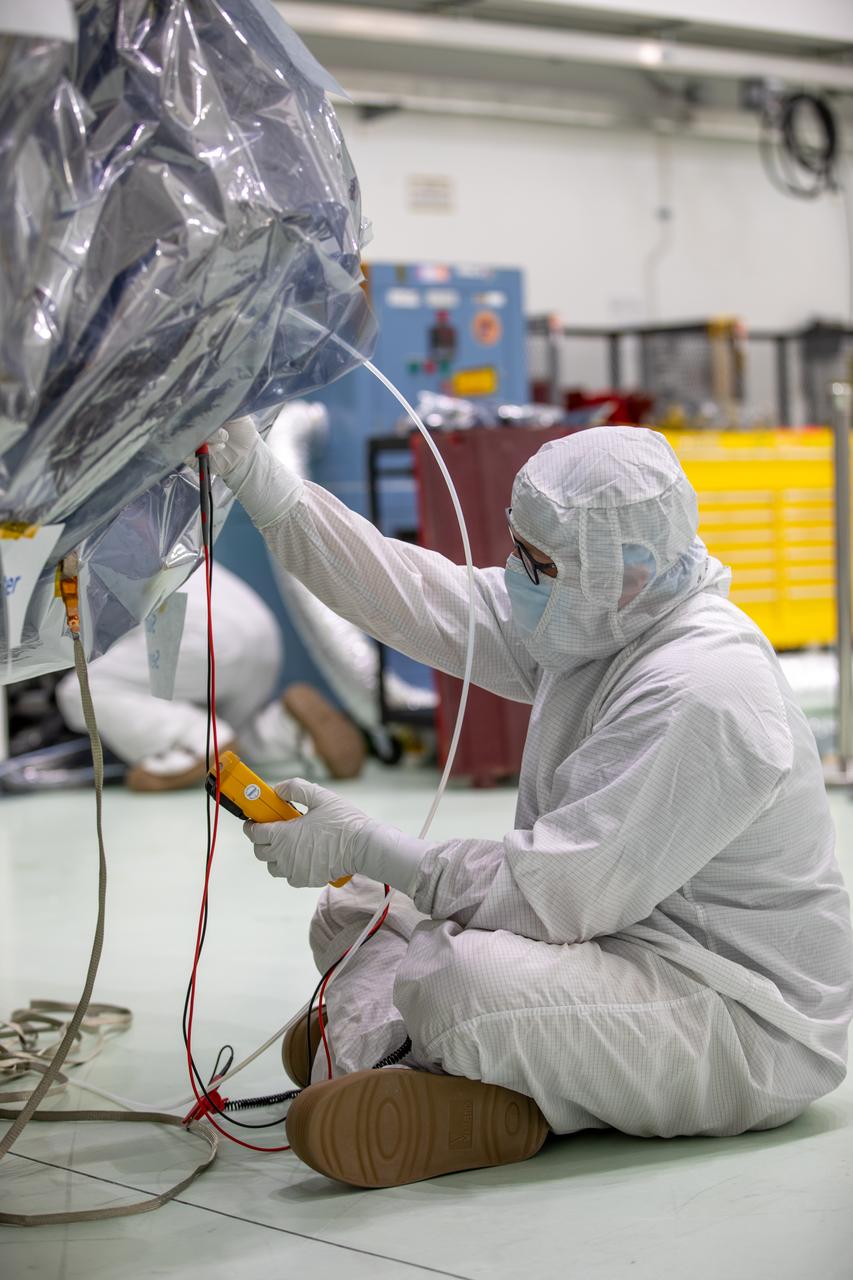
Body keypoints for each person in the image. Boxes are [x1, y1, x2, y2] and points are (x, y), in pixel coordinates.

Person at [211, 420, 853, 1189]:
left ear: (628, 570)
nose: (515, 575)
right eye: (518, 550)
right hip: (615, 943)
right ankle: (421, 1061)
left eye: (536, 562)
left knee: (460, 981)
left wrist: (363, 842)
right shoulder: (595, 617)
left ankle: (405, 1051)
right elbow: (413, 594)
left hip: (734, 1021)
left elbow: (551, 898)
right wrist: (261, 481)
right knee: (359, 908)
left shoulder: (700, 688)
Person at [56, 562, 365, 790]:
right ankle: (290, 735)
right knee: (239, 739)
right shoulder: (163, 520)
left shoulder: (74, 544)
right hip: (258, 631)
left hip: (192, 631)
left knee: (80, 691)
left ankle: (193, 741)